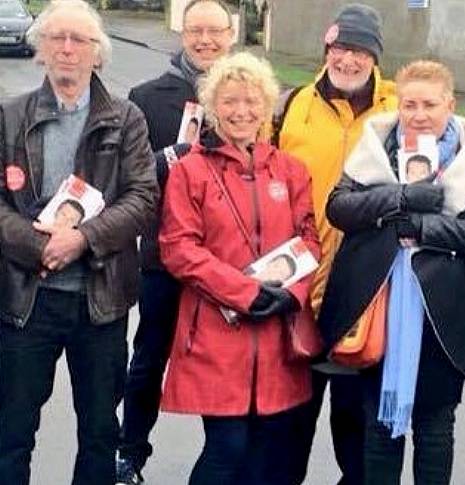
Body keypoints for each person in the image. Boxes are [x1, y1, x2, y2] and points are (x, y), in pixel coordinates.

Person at [321, 59, 465, 485]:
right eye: (410, 104)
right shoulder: (377, 148)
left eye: (429, 104)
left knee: (435, 427)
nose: (419, 114)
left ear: (450, 104)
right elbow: (340, 208)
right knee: (378, 427)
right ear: (398, 105)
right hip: (379, 305)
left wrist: (425, 226)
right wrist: (401, 196)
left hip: (445, 311)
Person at [0, 1, 158, 483]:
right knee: (11, 432)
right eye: (56, 38)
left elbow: (143, 197)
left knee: (99, 434)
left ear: (98, 54)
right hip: (26, 301)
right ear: (41, 50)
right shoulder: (9, 117)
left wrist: (83, 239)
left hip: (101, 304)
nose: (67, 49)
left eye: (80, 40)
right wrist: (36, 244)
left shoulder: (127, 119)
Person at [157, 52, 320, 485]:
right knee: (227, 447)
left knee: (266, 453)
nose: (241, 111)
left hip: (276, 335)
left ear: (266, 108)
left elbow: (309, 240)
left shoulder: (290, 170)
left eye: (251, 101)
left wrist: (293, 293)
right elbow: (178, 248)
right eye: (229, 101)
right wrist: (245, 293)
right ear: (213, 107)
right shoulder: (190, 171)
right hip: (215, 330)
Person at [274, 4, 397, 483]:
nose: (349, 60)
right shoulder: (290, 106)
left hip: (366, 296)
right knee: (288, 436)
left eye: (360, 50)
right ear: (326, 50)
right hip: (300, 290)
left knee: (358, 439)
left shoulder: (397, 110)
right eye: (341, 48)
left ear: (375, 56)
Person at [117, 0, 236, 482]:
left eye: (214, 31)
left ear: (232, 35)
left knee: (221, 363)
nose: (205, 40)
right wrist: (168, 158)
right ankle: (130, 451)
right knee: (150, 356)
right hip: (165, 256)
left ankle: (222, 459)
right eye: (196, 31)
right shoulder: (148, 96)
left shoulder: (250, 94)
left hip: (229, 259)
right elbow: (130, 173)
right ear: (182, 34)